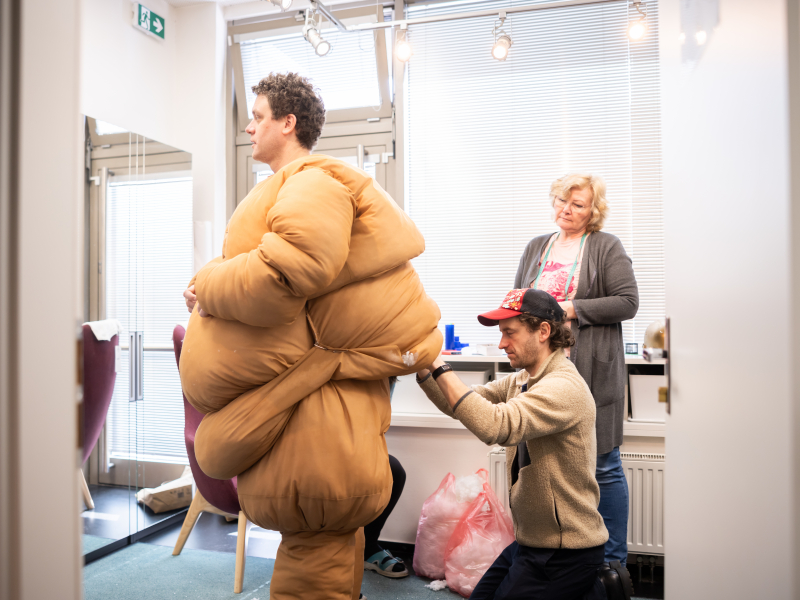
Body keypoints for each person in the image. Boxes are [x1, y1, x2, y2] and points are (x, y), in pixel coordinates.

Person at [181, 72, 442, 600]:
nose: (248, 128)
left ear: (288, 122)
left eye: (257, 117)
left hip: (316, 430)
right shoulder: (294, 188)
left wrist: (208, 284)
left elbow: (289, 272)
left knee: (315, 561)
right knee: (324, 557)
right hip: (315, 425)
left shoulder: (311, 184)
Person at [415, 288, 618, 599]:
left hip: (564, 551)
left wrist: (438, 364)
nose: (501, 343)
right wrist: (423, 366)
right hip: (529, 542)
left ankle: (592, 590)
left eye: (509, 333)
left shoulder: (563, 386)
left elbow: (495, 425)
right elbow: (461, 404)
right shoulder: (523, 379)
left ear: (543, 332)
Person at [514, 174, 638, 566]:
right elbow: (518, 299)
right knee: (539, 462)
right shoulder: (537, 246)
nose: (565, 210)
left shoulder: (606, 246)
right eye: (560, 201)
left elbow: (627, 302)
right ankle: (552, 555)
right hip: (543, 371)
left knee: (603, 464)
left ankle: (613, 565)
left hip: (591, 372)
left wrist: (570, 308)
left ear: (593, 211)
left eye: (577, 204)